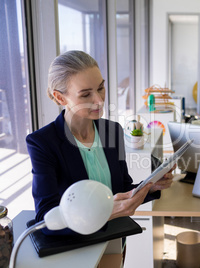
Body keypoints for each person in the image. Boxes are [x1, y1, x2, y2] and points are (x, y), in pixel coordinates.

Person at [26, 50, 173, 235]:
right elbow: (44, 221)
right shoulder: (43, 143)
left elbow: (122, 189)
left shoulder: (112, 131)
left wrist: (150, 185)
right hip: (78, 250)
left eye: (100, 88)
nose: (99, 100)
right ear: (60, 97)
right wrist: (105, 213)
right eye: (86, 94)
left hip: (115, 239)